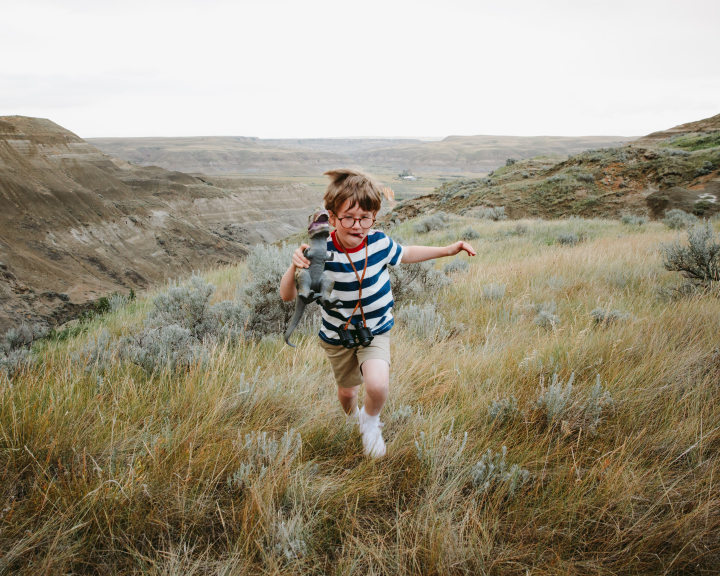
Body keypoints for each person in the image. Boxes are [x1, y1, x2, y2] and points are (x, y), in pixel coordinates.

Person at [279, 169, 476, 458]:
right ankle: (352, 419)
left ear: (374, 217)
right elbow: (288, 296)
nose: (358, 225)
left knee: (378, 385)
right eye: (349, 217)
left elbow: (407, 253)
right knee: (347, 394)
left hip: (375, 330)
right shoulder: (322, 251)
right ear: (332, 218)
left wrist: (447, 250)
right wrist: (294, 265)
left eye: (366, 217)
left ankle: (370, 422)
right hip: (336, 336)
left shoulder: (379, 242)